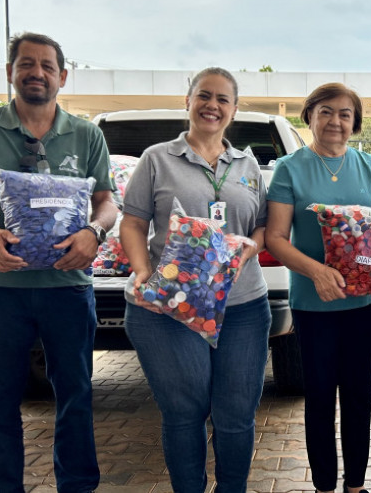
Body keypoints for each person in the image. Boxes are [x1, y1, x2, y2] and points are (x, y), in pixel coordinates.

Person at [0, 32, 117, 492]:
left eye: (46, 65)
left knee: (76, 395)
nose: (36, 72)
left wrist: (92, 232)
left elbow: (107, 202)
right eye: (26, 64)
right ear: (10, 72)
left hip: (68, 287)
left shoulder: (86, 133)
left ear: (62, 75)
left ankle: (77, 485)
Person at [120, 67, 270, 493]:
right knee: (184, 411)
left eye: (223, 99)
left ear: (234, 110)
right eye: (204, 96)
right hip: (170, 307)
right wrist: (143, 273)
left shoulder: (247, 163)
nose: (212, 105)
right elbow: (132, 224)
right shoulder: (157, 158)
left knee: (237, 413)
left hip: (241, 306)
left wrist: (251, 248)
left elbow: (260, 226)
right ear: (187, 102)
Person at [265, 83, 371, 493]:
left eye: (345, 114)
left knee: (359, 397)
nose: (335, 121)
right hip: (314, 303)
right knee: (321, 400)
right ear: (309, 116)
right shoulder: (290, 168)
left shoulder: (370, 165)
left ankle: (356, 486)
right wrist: (317, 273)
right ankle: (325, 486)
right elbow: (275, 237)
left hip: (364, 302)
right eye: (326, 112)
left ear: (354, 122)